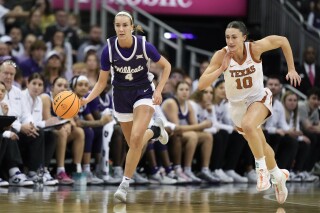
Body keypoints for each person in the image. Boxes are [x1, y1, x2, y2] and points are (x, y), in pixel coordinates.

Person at [198, 21, 301, 204]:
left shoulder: (254, 48)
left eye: (234, 37)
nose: (230, 41)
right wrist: (221, 69)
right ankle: (278, 176)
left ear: (244, 37)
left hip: (258, 98)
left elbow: (283, 41)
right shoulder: (221, 55)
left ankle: (260, 170)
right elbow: (201, 85)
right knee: (261, 143)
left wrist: (291, 68)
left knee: (249, 125)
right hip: (237, 107)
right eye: (227, 37)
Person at [80, 11, 171, 202]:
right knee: (134, 144)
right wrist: (86, 99)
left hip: (143, 93)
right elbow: (101, 82)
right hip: (121, 97)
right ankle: (155, 130)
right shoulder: (108, 50)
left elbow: (167, 66)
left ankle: (124, 185)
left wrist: (159, 90)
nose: (121, 29)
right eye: (117, 25)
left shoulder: (144, 45)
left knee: (137, 138)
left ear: (132, 27)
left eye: (124, 25)